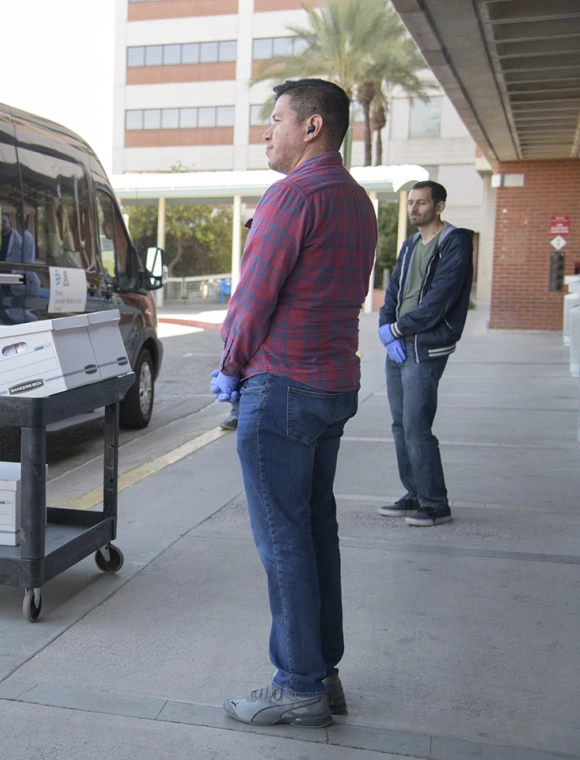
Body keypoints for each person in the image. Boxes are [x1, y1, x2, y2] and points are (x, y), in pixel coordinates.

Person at [211, 78, 377, 728]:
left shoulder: (292, 196)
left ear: (311, 126)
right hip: (333, 386)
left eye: (275, 119)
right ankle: (323, 671)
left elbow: (252, 300)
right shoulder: (357, 200)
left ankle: (299, 684)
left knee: (284, 542)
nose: (267, 131)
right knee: (315, 533)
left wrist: (229, 367)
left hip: (281, 389)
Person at [376, 181, 474, 527]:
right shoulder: (410, 244)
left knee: (417, 426)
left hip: (426, 346)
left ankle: (435, 503)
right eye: (411, 203)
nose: (414, 208)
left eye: (421, 203)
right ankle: (414, 493)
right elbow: (393, 293)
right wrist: (385, 327)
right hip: (400, 345)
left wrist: (398, 330)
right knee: (401, 425)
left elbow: (438, 301)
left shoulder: (454, 244)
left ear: (440, 206)